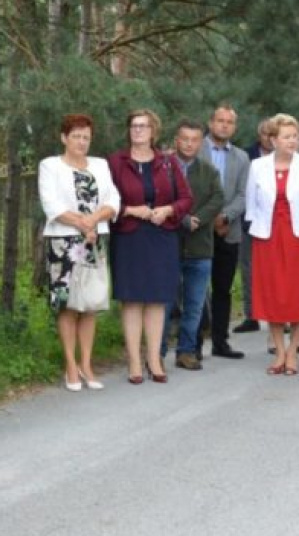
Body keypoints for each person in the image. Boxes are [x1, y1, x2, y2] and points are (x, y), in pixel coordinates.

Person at [107, 109, 193, 384]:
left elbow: (186, 199)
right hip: (129, 237)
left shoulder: (168, 162)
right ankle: (134, 361)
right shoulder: (116, 163)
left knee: (157, 300)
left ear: (153, 131)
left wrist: (167, 210)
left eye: (143, 126)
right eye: (134, 125)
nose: (138, 130)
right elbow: (106, 201)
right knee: (132, 300)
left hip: (161, 237)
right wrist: (131, 210)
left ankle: (154, 359)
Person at [38, 113, 120, 389]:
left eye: (86, 137)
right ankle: (70, 365)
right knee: (68, 304)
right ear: (64, 138)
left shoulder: (100, 165)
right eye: (76, 136)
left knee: (90, 304)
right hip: (64, 242)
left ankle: (86, 364)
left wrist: (93, 221)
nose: (82, 142)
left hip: (95, 240)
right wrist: (83, 224)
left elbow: (113, 200)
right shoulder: (50, 166)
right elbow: (52, 205)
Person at [243, 114, 299, 376]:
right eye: (287, 136)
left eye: (295, 136)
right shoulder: (257, 166)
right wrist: (259, 230)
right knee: (272, 294)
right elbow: (251, 205)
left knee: (298, 294)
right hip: (267, 238)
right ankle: (279, 351)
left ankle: (293, 350)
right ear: (273, 140)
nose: (293, 141)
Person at [163, 119, 225, 370]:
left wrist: (198, 219)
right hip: (169, 246)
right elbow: (160, 199)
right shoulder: (163, 167)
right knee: (165, 304)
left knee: (194, 305)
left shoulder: (209, 171)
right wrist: (182, 218)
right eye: (185, 139)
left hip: (200, 247)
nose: (189, 144)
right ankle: (157, 352)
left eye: (194, 140)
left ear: (201, 143)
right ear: (177, 140)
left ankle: (186, 351)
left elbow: (218, 198)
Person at [197, 103, 249, 360]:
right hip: (198, 230)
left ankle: (220, 342)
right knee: (196, 289)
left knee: (222, 289)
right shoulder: (196, 149)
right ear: (210, 123)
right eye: (220, 120)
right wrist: (209, 218)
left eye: (229, 122)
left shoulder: (241, 157)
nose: (224, 125)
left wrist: (226, 216)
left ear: (234, 127)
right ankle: (193, 344)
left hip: (228, 230)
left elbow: (243, 194)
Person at [233, 117, 275, 334]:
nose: (269, 138)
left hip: (278, 222)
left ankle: (281, 315)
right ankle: (252, 316)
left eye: (273, 134)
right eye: (266, 134)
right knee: (249, 269)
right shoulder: (246, 156)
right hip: (250, 222)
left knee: (276, 271)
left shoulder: (286, 156)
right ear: (260, 135)